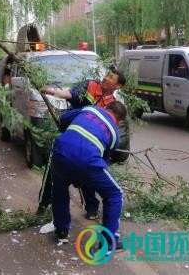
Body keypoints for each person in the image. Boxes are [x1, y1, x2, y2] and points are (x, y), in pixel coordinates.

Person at [37, 69, 127, 219]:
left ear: (118, 86)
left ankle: (91, 208)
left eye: (111, 78)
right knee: (53, 172)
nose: (105, 78)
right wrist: (50, 91)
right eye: (106, 75)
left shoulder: (112, 105)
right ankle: (43, 204)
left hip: (89, 144)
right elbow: (70, 94)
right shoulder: (90, 85)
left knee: (89, 170)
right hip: (70, 135)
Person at [51, 101, 127, 247]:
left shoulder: (90, 109)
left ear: (106, 108)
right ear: (119, 121)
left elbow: (63, 119)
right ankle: (109, 241)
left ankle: (61, 231)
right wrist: (83, 178)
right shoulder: (115, 135)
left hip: (60, 152)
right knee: (114, 193)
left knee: (59, 189)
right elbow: (102, 162)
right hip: (87, 160)